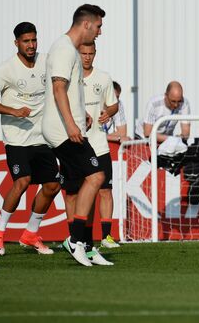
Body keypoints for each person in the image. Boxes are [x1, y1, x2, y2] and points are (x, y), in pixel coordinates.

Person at [0, 22, 61, 256]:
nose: (31, 45)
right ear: (17, 43)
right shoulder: (7, 69)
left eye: (34, 40)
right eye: (26, 41)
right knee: (23, 181)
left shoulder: (47, 61)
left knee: (53, 185)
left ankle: (30, 234)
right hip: (16, 139)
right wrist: (12, 111)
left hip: (42, 137)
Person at [42, 4, 109, 267]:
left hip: (71, 127)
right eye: (99, 26)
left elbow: (69, 92)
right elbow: (59, 89)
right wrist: (71, 125)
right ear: (87, 24)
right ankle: (75, 240)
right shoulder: (63, 49)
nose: (100, 32)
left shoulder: (69, 51)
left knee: (80, 187)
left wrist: (82, 116)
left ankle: (88, 247)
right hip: (62, 131)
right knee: (96, 176)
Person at [62, 42, 120, 253]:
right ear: (77, 54)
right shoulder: (67, 79)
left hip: (98, 144)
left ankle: (105, 236)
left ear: (95, 54)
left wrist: (109, 112)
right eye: (83, 53)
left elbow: (113, 104)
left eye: (90, 53)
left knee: (104, 190)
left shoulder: (104, 78)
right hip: (74, 145)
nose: (87, 57)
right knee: (72, 194)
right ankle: (74, 237)